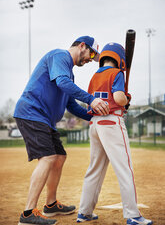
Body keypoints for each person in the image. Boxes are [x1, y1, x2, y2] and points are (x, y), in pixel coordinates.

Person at [14, 36, 110, 225]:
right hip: (31, 113)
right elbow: (63, 84)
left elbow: (71, 106)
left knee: (59, 157)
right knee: (49, 157)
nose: (91, 59)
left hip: (45, 119)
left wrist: (96, 117)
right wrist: (91, 99)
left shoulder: (68, 75)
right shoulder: (60, 56)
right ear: (82, 46)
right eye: (91, 53)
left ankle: (50, 205)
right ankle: (27, 214)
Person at [77, 43, 153, 225]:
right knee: (125, 169)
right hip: (111, 123)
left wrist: (121, 100)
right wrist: (126, 99)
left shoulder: (95, 76)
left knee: (94, 169)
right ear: (120, 60)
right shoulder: (117, 73)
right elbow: (118, 98)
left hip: (95, 124)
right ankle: (133, 215)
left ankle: (84, 212)